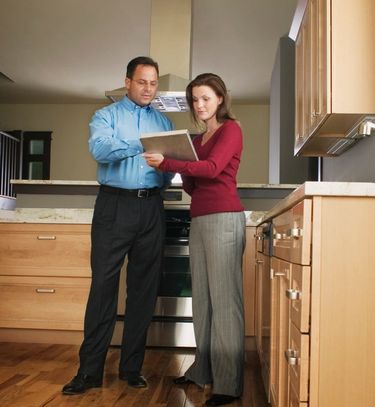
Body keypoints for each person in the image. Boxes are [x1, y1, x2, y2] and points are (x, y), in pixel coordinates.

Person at [62, 56, 173, 395]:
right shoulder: (105, 116)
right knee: (103, 289)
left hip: (152, 206)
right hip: (114, 206)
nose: (148, 89)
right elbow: (100, 149)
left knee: (143, 291)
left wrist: (164, 172)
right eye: (142, 82)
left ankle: (131, 369)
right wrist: (141, 142)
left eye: (153, 83)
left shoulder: (165, 122)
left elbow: (168, 168)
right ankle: (90, 371)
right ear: (127, 82)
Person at [143, 73, 245, 407]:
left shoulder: (231, 130)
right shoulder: (198, 140)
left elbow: (214, 169)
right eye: (194, 100)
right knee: (202, 299)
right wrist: (179, 167)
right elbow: (192, 186)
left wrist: (171, 163)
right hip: (199, 220)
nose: (199, 105)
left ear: (219, 98)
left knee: (225, 302)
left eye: (205, 98)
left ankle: (228, 384)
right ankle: (203, 371)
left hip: (224, 219)